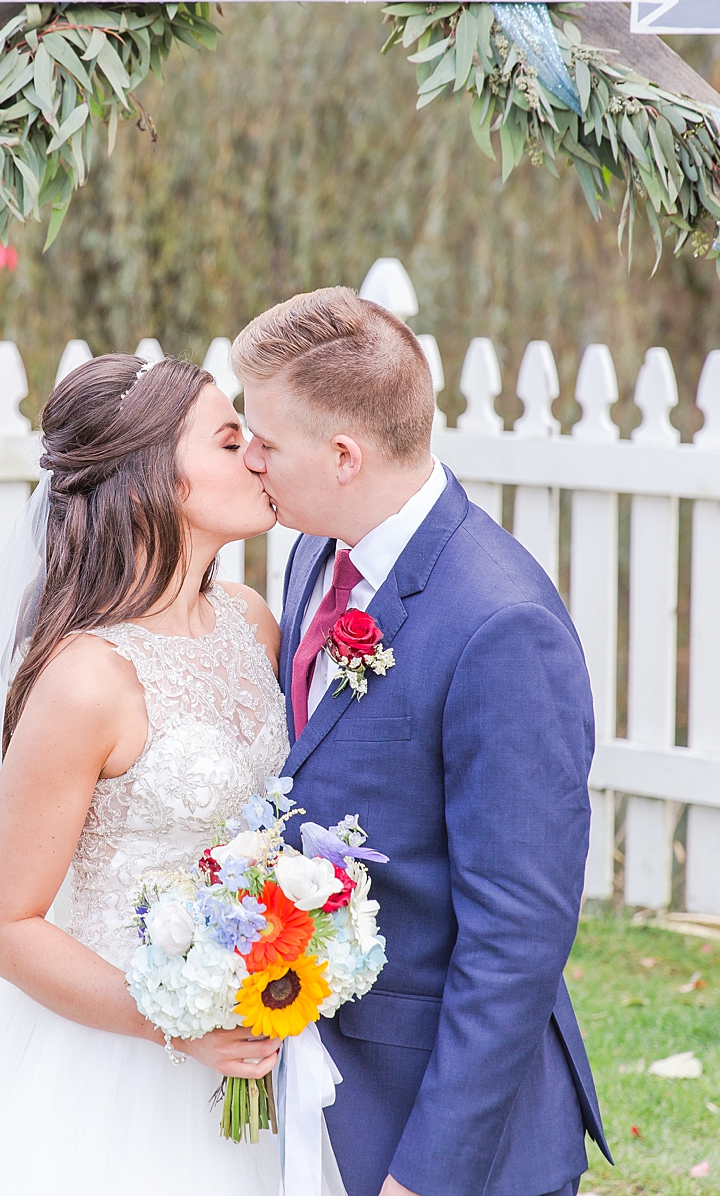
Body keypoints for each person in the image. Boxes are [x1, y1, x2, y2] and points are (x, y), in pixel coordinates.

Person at [0, 352, 343, 1194]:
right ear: (157, 479)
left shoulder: (252, 622)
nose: (257, 456)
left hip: (257, 1036)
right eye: (230, 441)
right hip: (111, 1067)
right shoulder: (88, 679)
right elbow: (4, 925)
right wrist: (178, 1022)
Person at [233, 288, 609, 1196]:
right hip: (325, 1092)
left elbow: (518, 934)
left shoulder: (501, 622)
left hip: (450, 1135)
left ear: (344, 455)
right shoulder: (313, 553)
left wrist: (426, 1178)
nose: (247, 459)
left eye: (265, 442)